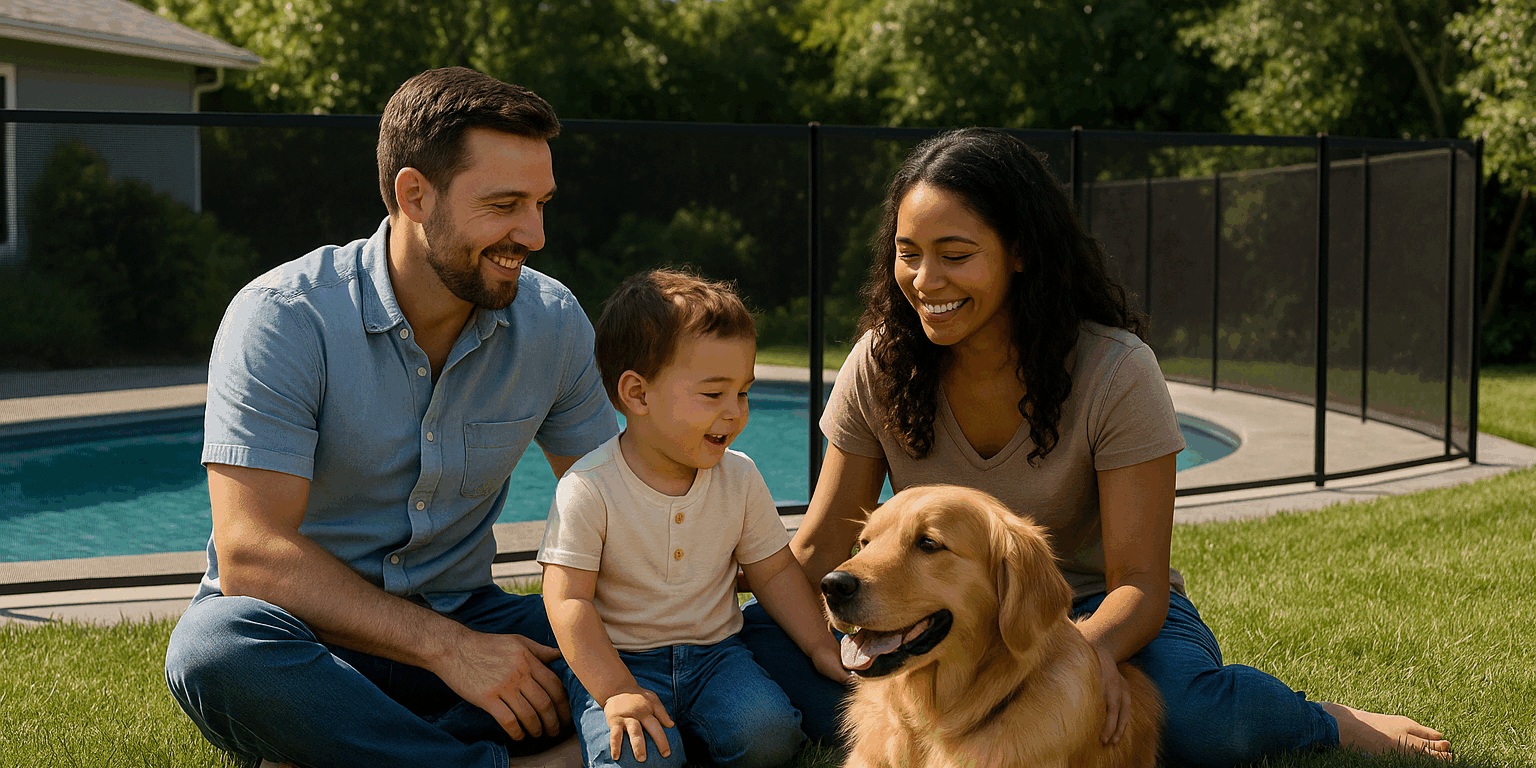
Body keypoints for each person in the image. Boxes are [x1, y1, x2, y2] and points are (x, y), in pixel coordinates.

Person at [743, 127, 1454, 766]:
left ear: (1020, 252)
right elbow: (820, 549)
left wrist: (1077, 661)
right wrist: (682, 586)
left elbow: (1140, 583)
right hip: (933, 611)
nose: (926, 282)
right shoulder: (881, 362)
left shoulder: (1116, 371)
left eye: (955, 255)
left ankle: (1325, 723)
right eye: (908, 254)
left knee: (1202, 727)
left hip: (1097, 609)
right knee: (752, 659)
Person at [163, 67, 619, 768]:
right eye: (505, 205)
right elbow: (251, 553)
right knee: (215, 648)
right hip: (308, 636)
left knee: (647, 643)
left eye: (541, 203)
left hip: (472, 611)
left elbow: (620, 503)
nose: (533, 233)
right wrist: (451, 651)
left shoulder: (552, 321)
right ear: (414, 194)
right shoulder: (284, 317)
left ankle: (343, 745)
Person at [539, 269, 849, 768]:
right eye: (713, 394)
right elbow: (567, 599)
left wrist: (818, 646)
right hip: (621, 662)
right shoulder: (588, 487)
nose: (734, 412)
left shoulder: (740, 477)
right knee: (639, 761)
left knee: (771, 739)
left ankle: (690, 732)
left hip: (716, 657)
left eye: (744, 392)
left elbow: (775, 571)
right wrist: (616, 691)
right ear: (638, 394)